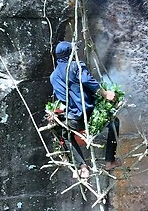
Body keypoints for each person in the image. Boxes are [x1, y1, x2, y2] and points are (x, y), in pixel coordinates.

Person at [50, 41, 122, 178]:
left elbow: (62, 98)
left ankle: (82, 167)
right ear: (69, 53)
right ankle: (109, 161)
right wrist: (106, 94)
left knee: (66, 136)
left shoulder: (53, 77)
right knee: (114, 122)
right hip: (88, 116)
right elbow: (88, 81)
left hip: (73, 120)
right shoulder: (76, 66)